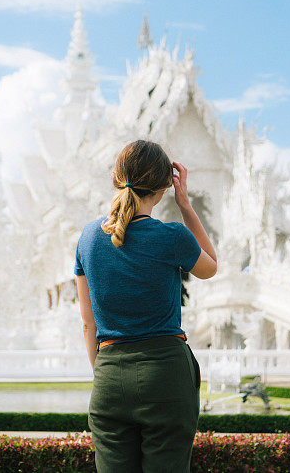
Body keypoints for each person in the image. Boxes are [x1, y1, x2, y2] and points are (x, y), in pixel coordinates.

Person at [74, 139, 217, 473]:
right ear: (165, 185)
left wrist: (106, 373)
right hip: (165, 374)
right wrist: (186, 205)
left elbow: (87, 324)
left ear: (115, 176)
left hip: (109, 373)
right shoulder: (173, 236)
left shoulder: (87, 238)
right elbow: (211, 266)